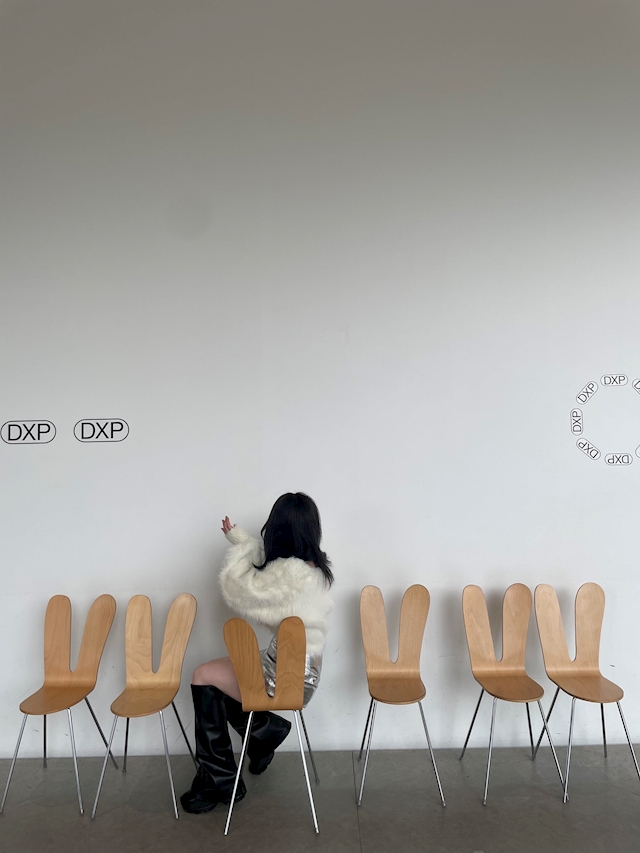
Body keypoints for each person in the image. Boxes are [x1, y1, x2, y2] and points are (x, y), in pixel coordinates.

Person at [180, 492, 334, 814]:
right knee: (215, 677)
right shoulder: (315, 568)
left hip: (286, 675)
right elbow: (271, 571)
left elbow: (239, 590)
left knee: (202, 676)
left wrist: (242, 548)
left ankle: (221, 780)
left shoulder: (289, 574)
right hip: (300, 668)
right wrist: (240, 539)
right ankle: (262, 735)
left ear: (279, 530)